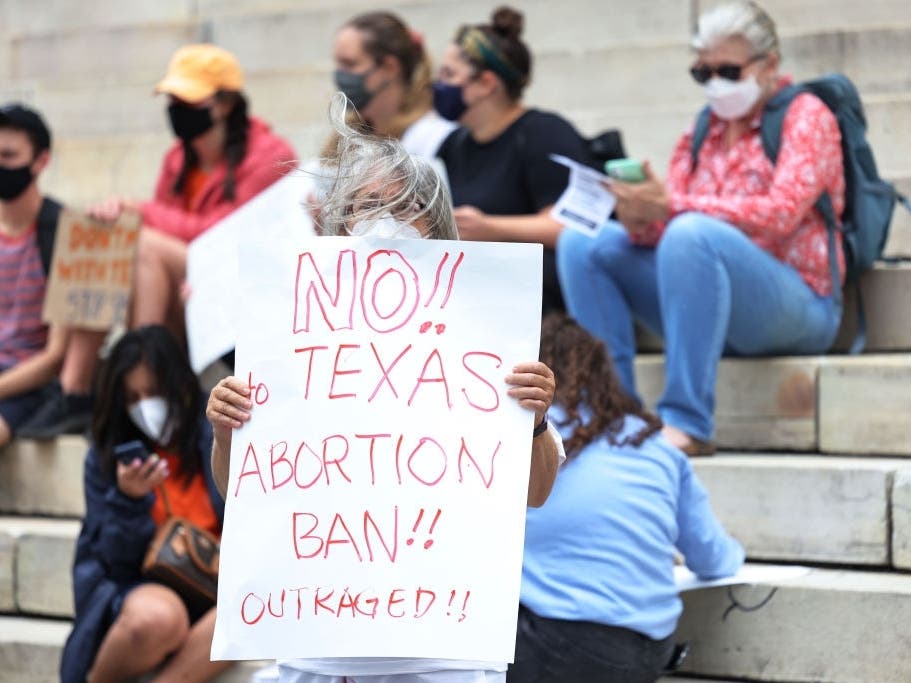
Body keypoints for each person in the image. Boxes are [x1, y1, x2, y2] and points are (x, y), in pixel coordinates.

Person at [206, 96, 564, 683]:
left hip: (442, 655)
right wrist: (227, 432)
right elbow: (244, 493)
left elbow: (537, 492)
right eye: (366, 206)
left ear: (436, 223)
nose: (384, 220)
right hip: (316, 648)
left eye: (403, 206)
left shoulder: (487, 329)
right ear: (336, 223)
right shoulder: (290, 334)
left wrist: (536, 422)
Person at [557, 0, 845, 455]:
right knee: (584, 242)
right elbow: (670, 228)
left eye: (728, 71)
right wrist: (640, 217)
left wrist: (672, 206)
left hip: (798, 305)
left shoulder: (807, 116)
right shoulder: (702, 129)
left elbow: (782, 211)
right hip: (711, 297)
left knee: (692, 231)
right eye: (702, 73)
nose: (716, 84)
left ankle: (687, 421)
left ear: (769, 64)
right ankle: (610, 412)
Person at [508, 313, 744, 683]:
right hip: (652, 649)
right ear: (605, 375)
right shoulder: (656, 445)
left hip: (560, 648)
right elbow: (714, 558)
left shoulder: (527, 441)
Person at [60, 325, 231, 683]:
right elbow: (113, 562)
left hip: (216, 582)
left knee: (242, 614)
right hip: (143, 585)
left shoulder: (212, 433)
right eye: (133, 398)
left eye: (152, 393)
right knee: (157, 619)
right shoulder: (110, 456)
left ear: (178, 386)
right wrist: (129, 502)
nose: (145, 407)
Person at [91, 43, 296, 330]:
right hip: (190, 278)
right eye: (173, 100)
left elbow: (222, 236)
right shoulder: (176, 158)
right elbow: (166, 229)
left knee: (145, 246)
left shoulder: (272, 156)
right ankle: (106, 366)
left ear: (226, 104)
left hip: (241, 279)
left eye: (189, 100)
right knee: (114, 238)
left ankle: (140, 365)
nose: (177, 109)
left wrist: (140, 210)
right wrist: (119, 213)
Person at [434, 6, 593, 315]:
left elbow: (570, 228)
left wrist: (490, 228)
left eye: (449, 75)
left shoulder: (543, 132)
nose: (437, 85)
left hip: (544, 294)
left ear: (486, 84)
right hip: (486, 285)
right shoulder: (454, 144)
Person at [0, 103, 71, 446]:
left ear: (41, 161)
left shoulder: (62, 231)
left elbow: (55, 356)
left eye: (8, 155)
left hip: (28, 386)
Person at [331, 11, 455, 158]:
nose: (339, 74)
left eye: (350, 64)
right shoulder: (345, 141)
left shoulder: (432, 138)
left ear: (390, 67)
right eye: (338, 63)